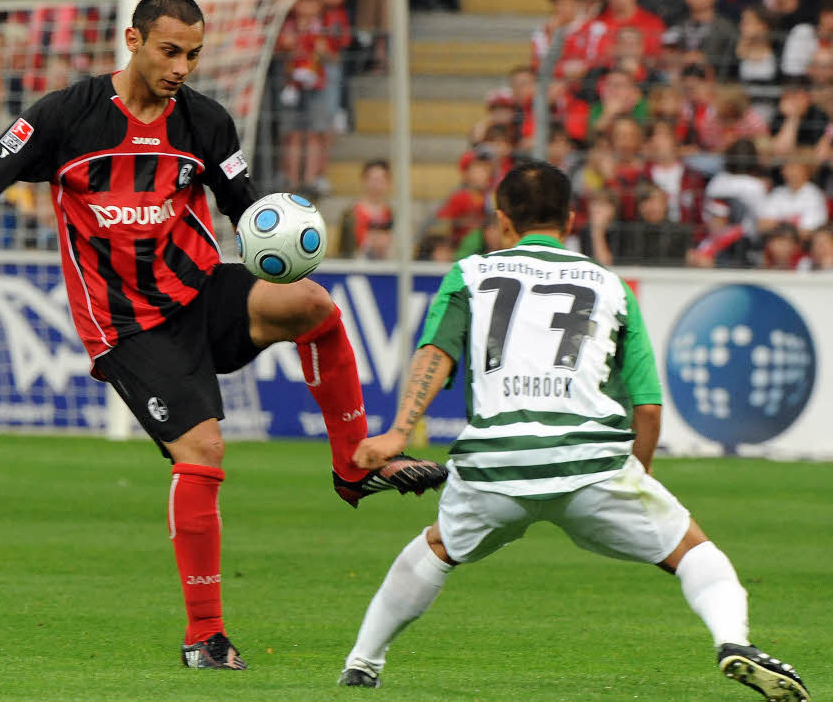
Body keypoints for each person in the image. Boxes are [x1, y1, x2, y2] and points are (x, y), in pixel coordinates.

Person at [0, 0, 447, 671]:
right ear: (133, 40)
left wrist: (283, 232)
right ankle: (205, 635)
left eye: (194, 54)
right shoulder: (66, 116)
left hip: (200, 291)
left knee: (313, 305)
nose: (182, 66)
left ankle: (353, 463)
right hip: (127, 326)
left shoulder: (205, 123)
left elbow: (247, 210)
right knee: (203, 450)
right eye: (170, 50)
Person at [336, 161, 810, 702]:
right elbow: (648, 407)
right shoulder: (611, 286)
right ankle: (732, 642)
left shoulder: (469, 274)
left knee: (436, 548)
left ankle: (361, 665)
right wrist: (638, 476)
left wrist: (399, 432)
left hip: (496, 466)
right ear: (571, 218)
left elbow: (435, 352)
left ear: (501, 220)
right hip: (593, 466)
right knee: (693, 552)